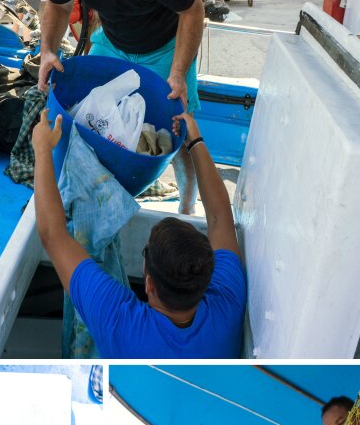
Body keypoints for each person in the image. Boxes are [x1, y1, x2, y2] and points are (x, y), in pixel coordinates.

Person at [31, 109, 246, 358]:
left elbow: (53, 235)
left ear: (148, 284)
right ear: (208, 278)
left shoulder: (120, 322)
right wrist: (195, 142)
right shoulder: (227, 304)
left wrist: (42, 150)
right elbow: (220, 218)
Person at [37, 0, 205, 214]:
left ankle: (187, 210)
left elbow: (193, 11)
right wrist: (47, 52)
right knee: (84, 116)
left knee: (180, 132)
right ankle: (88, 195)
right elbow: (58, 6)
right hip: (113, 42)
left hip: (165, 49)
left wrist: (178, 73)